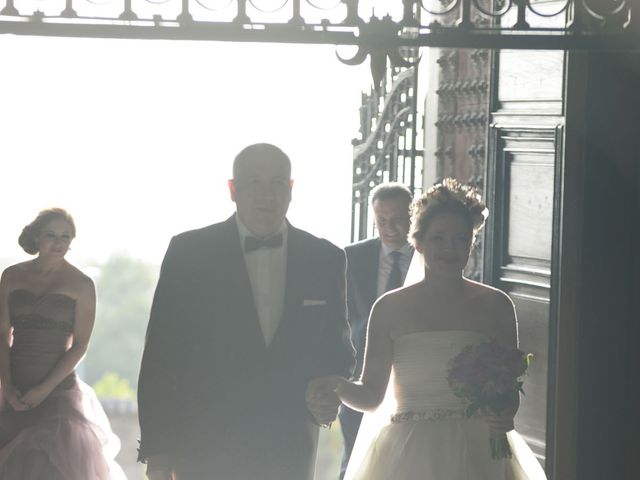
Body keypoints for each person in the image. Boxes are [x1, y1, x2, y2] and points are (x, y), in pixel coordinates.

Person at [137, 143, 355, 480]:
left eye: (277, 183)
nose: (267, 194)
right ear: (233, 190)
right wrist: (159, 456)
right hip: (203, 444)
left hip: (289, 444)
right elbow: (161, 358)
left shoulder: (326, 258)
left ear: (291, 190)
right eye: (255, 182)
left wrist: (330, 392)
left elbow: (338, 349)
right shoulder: (189, 253)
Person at [311, 178, 547, 479]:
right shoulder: (388, 308)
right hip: (409, 453)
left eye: (461, 239)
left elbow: (509, 390)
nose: (450, 247)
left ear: (471, 244)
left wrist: (506, 412)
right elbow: (371, 395)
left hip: (478, 452)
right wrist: (339, 385)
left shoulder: (496, 305)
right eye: (438, 238)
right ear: (419, 242)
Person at [0, 208, 126, 479]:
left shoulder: (81, 284)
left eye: (66, 237)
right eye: (51, 235)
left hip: (57, 394)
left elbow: (80, 345)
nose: (59, 243)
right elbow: (2, 334)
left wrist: (43, 390)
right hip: (13, 388)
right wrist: (7, 386)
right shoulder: (10, 276)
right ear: (36, 238)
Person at [337, 182, 413, 479]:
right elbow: (341, 319)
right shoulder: (352, 256)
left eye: (397, 219)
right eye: (381, 220)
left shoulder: (427, 257)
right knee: (356, 461)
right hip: (363, 374)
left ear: (412, 216)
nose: (389, 227)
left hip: (411, 378)